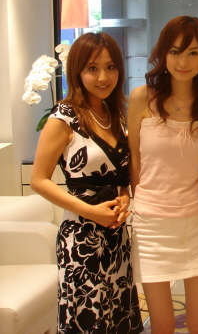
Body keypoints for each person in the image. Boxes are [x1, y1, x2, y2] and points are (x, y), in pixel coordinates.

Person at [31, 32, 143, 333]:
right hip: (81, 240)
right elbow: (38, 180)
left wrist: (124, 197)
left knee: (119, 319)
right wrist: (91, 212)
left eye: (110, 67)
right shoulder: (63, 117)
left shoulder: (116, 115)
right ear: (77, 72)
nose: (103, 77)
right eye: (93, 68)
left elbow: (120, 176)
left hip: (116, 238)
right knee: (87, 320)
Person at [128, 15, 198, 333]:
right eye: (175, 51)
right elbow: (134, 158)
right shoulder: (142, 97)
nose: (183, 62)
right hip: (151, 223)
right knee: (162, 324)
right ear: (163, 54)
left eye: (193, 52)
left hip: (193, 220)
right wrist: (140, 203)